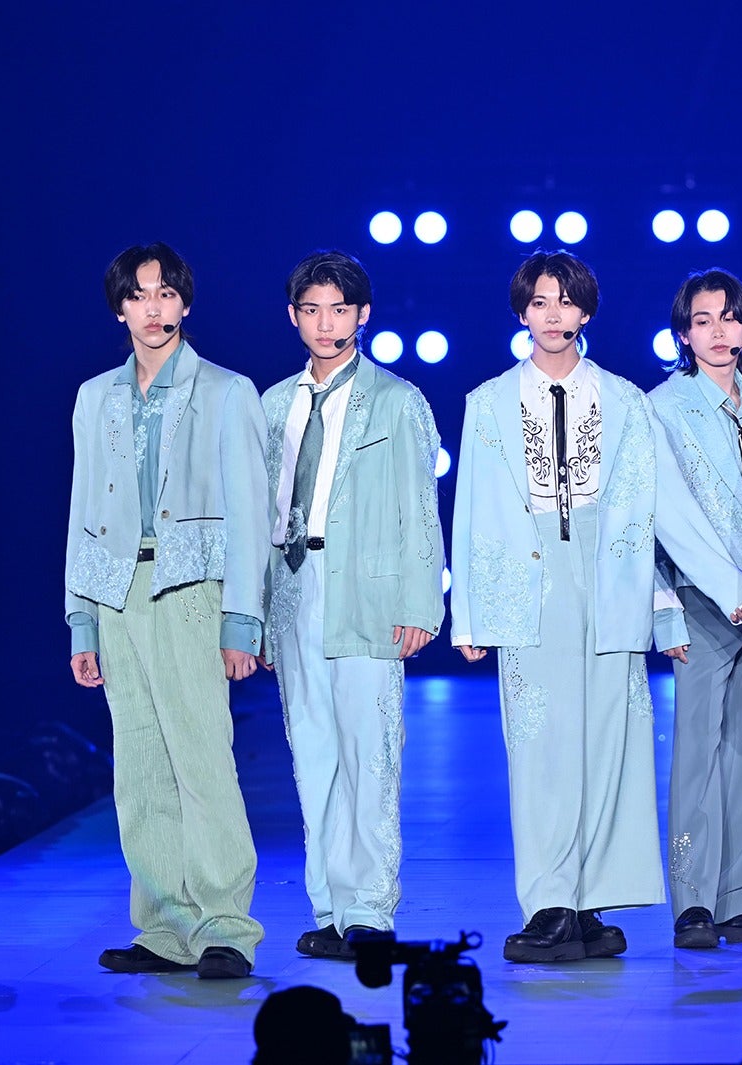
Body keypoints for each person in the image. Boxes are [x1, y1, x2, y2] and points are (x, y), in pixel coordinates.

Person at [450, 249, 665, 962]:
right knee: (539, 744)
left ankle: (591, 901)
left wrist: (661, 606)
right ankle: (549, 900)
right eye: (540, 301)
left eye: (566, 301)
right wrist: (472, 613)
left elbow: (649, 510)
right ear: (522, 311)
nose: (553, 314)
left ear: (586, 311)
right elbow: (472, 508)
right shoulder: (488, 401)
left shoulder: (626, 400)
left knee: (609, 741)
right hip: (527, 576)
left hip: (611, 571)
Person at [65, 242, 267, 979]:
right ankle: (163, 927)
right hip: (117, 592)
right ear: (119, 307)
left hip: (191, 589)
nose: (153, 308)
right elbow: (82, 510)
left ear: (185, 302)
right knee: (140, 766)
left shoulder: (227, 391)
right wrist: (81, 619)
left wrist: (242, 620)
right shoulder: (96, 396)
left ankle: (226, 928)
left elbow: (250, 514)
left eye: (166, 294)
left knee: (202, 758)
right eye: (139, 295)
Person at [261, 251, 444, 959]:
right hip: (292, 586)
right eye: (312, 310)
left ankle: (369, 907)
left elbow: (419, 506)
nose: (326, 323)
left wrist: (420, 602)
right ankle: (330, 905)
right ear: (293, 316)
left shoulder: (396, 400)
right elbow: (257, 511)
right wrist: (253, 612)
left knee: (371, 750)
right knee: (312, 751)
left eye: (339, 309)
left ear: (363, 314)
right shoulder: (274, 403)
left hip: (366, 588)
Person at [650, 269, 742, 950]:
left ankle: (737, 895)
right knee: (698, 749)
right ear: (683, 333)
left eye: (730, 318)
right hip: (700, 600)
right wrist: (670, 609)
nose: (718, 331)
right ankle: (692, 900)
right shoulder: (661, 408)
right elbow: (660, 518)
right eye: (703, 320)